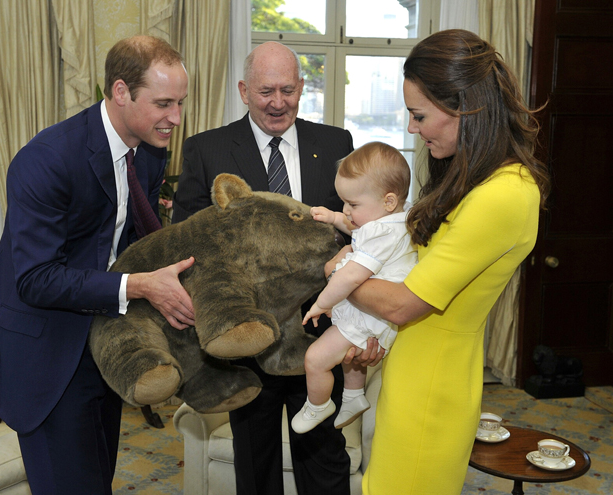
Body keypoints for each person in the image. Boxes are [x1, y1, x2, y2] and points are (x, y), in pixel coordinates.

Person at [0, 36, 195, 495]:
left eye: (181, 103)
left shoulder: (148, 150)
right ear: (121, 91)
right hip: (45, 355)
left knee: (97, 482)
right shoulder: (46, 160)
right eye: (164, 103)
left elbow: (123, 239)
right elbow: (35, 279)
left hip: (99, 345)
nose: (176, 118)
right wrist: (138, 286)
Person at [330, 30, 550, 495]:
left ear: (466, 107)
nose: (412, 128)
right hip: (411, 367)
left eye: (419, 115)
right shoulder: (473, 179)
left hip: (432, 386)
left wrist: (336, 271)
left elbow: (404, 304)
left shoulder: (505, 193)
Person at [172, 41, 356, 495]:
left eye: (288, 90)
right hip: (246, 336)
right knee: (254, 459)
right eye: (266, 91)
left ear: (301, 88)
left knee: (323, 452)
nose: (278, 102)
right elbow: (188, 244)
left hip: (319, 329)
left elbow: (358, 232)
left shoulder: (336, 143)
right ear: (243, 90)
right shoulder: (205, 150)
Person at [290, 142, 417, 434]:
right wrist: (336, 219)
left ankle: (318, 405)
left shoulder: (381, 232)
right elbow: (361, 231)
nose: (346, 210)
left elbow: (349, 278)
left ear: (387, 201)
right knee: (350, 358)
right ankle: (353, 396)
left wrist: (322, 303)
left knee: (316, 359)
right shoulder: (396, 219)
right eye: (344, 204)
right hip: (377, 314)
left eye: (353, 205)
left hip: (371, 313)